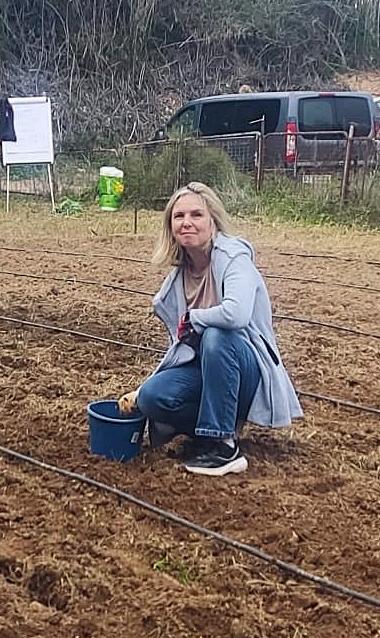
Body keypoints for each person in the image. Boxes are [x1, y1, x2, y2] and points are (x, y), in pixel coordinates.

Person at [126, 182, 301, 476]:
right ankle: (207, 430)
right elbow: (181, 348)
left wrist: (196, 317)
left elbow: (236, 314)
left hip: (245, 366)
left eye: (197, 214)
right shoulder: (177, 280)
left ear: (213, 220)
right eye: (179, 216)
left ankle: (224, 447)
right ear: (170, 226)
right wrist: (143, 387)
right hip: (206, 369)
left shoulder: (233, 257)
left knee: (217, 336)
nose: (187, 223)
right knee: (152, 397)